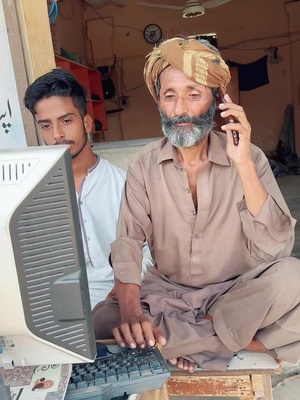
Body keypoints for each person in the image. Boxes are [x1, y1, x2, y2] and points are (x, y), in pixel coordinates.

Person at [92, 36, 300, 372]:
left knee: (295, 276)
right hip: (169, 295)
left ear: (216, 100)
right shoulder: (144, 164)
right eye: (170, 96)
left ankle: (180, 343)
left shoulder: (250, 158)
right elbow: (129, 241)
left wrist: (243, 163)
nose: (181, 110)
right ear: (159, 102)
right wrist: (132, 313)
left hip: (237, 293)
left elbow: (276, 249)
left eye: (193, 94)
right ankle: (237, 341)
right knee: (106, 319)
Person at [24, 68, 152, 309]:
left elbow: (151, 251)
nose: (57, 135)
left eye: (66, 121)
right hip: (57, 309)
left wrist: (128, 289)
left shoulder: (125, 185)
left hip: (123, 302)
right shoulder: (32, 196)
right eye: (46, 126)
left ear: (87, 122)